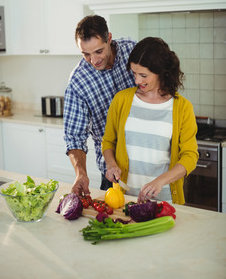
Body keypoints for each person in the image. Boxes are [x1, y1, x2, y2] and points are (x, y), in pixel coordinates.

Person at [102, 36, 199, 205]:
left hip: (165, 201)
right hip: (125, 199)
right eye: (134, 73)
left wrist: (159, 181)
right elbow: (108, 141)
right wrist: (111, 165)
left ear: (161, 72)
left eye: (143, 75)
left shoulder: (182, 107)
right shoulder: (121, 100)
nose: (137, 80)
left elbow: (190, 156)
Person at [63, 15, 137, 196]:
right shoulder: (78, 81)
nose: (93, 60)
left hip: (149, 166)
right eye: (85, 54)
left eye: (98, 51)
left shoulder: (133, 51)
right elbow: (74, 137)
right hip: (113, 173)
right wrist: (81, 173)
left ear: (109, 38)